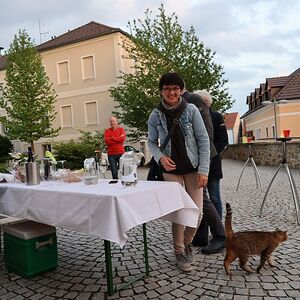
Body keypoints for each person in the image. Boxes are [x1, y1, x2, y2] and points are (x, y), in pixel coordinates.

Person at [147, 72, 210, 272]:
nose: (171, 92)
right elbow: (151, 141)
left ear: (181, 90)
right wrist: (160, 157)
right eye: (167, 89)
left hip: (193, 168)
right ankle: (179, 251)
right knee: (178, 210)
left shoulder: (191, 110)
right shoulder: (155, 114)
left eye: (175, 88)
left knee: (197, 211)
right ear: (161, 91)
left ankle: (187, 242)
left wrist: (204, 170)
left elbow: (203, 140)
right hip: (171, 169)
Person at [192, 90, 228, 254]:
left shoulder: (216, 116)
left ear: (205, 101)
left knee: (214, 197)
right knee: (202, 199)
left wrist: (212, 156)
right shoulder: (194, 115)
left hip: (212, 164)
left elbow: (223, 141)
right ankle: (201, 234)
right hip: (198, 165)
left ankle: (217, 233)